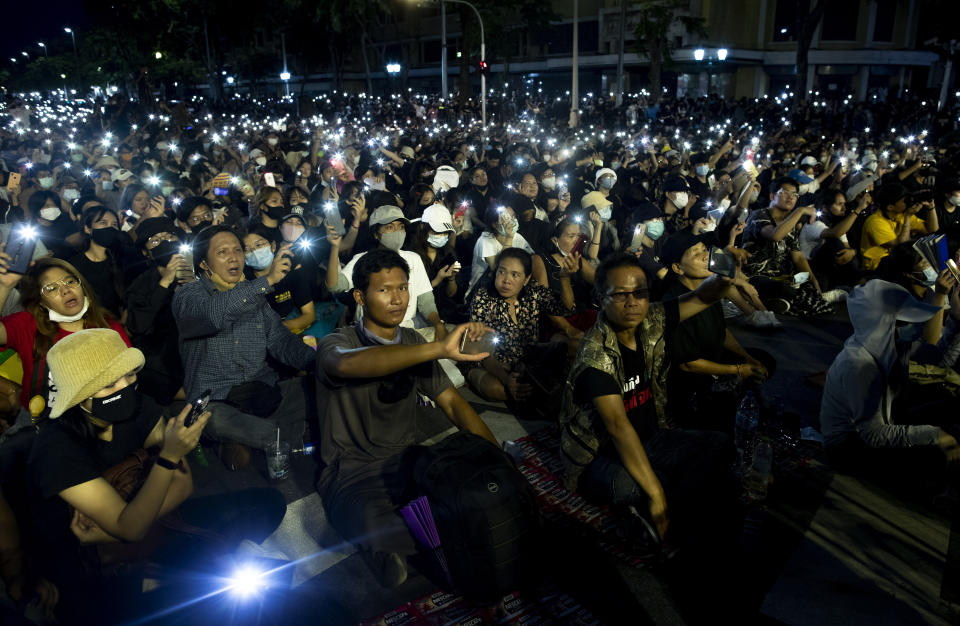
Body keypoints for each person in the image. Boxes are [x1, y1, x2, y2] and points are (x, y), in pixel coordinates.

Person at [27, 328, 286, 623]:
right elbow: (132, 527)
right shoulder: (56, 450)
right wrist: (168, 458)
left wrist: (115, 528)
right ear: (78, 394)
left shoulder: (137, 406)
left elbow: (183, 485)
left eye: (128, 375)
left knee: (268, 503)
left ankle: (178, 570)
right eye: (108, 384)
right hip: (89, 562)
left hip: (148, 524)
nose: (124, 386)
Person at [315, 248, 497, 587]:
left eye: (402, 287)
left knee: (475, 498)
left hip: (409, 465)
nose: (397, 299)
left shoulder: (412, 340)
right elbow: (346, 365)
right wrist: (440, 348)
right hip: (354, 475)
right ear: (360, 297)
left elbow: (455, 405)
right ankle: (387, 546)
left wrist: (497, 459)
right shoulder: (337, 342)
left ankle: (400, 545)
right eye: (384, 290)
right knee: (369, 519)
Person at [558, 254, 741, 586]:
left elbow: (702, 295)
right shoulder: (594, 353)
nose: (633, 302)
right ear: (601, 299)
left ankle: (660, 517)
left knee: (719, 444)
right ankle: (656, 516)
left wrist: (726, 276)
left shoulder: (652, 319)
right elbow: (616, 425)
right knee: (637, 485)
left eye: (640, 292)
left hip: (650, 435)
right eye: (621, 294)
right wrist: (655, 492)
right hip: (597, 455)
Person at [171, 224, 317, 467]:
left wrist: (317, 363)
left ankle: (251, 442)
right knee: (213, 420)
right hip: (217, 400)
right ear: (204, 264)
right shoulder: (189, 295)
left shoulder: (251, 294)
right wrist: (268, 279)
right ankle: (290, 437)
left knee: (321, 386)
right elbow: (214, 315)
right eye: (222, 252)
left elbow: (281, 341)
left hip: (263, 391)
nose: (233, 258)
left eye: (237, 250)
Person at [820, 280, 960, 496]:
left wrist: (955, 318)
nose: (905, 323)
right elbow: (873, 435)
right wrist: (935, 435)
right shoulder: (859, 363)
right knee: (935, 457)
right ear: (885, 320)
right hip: (848, 446)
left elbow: (935, 356)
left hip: (886, 419)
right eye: (899, 317)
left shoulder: (884, 343)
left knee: (948, 407)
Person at [660, 232, 776, 431]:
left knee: (762, 361)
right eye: (695, 253)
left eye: (704, 249)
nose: (706, 255)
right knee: (721, 422)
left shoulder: (709, 288)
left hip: (712, 358)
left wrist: (746, 358)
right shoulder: (673, 302)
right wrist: (738, 370)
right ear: (677, 268)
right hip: (689, 380)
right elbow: (688, 365)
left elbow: (721, 332)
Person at [0, 257, 129, 414]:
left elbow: (128, 378)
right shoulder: (26, 325)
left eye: (70, 282)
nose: (65, 290)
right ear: (41, 302)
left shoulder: (108, 326)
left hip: (101, 415)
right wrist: (5, 286)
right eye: (51, 288)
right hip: (41, 422)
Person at [468, 248, 575, 406]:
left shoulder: (533, 292)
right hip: (494, 363)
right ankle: (472, 378)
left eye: (515, 275)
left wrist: (565, 279)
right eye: (501, 272)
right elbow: (482, 351)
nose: (506, 280)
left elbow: (565, 308)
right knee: (496, 389)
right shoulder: (483, 297)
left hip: (528, 359)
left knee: (572, 347)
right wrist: (507, 380)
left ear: (526, 279)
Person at [125, 217, 191, 404]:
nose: (164, 243)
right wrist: (165, 282)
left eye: (169, 237)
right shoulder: (141, 284)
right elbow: (137, 325)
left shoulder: (197, 270)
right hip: (162, 360)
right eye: (155, 241)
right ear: (146, 252)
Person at [860, 183, 939, 271]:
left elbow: (932, 230)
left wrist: (931, 207)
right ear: (890, 207)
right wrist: (908, 216)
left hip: (894, 259)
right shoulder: (875, 221)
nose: (908, 203)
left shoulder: (900, 214)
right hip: (877, 265)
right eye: (905, 201)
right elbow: (901, 246)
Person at [68, 206, 127, 318]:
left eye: (114, 224)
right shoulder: (74, 265)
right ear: (87, 229)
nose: (110, 228)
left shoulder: (122, 260)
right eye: (103, 223)